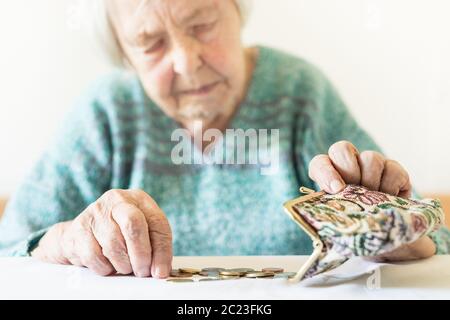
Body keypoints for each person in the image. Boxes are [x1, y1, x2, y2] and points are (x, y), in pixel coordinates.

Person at [0, 0, 448, 279]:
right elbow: (10, 249)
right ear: (124, 54)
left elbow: (436, 245)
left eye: (200, 25)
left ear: (236, 10)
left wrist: (401, 236)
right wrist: (66, 241)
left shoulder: (298, 92)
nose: (187, 62)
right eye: (150, 42)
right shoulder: (105, 111)